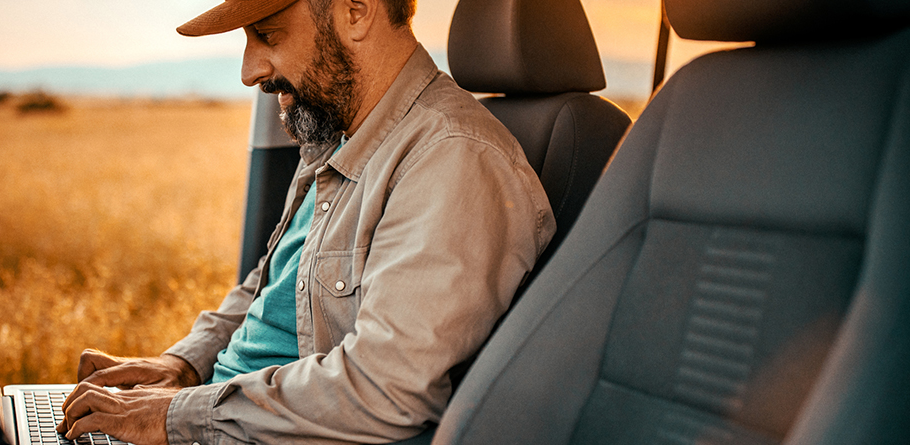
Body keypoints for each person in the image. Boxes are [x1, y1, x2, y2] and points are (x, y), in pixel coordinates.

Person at [57, 0, 556, 443]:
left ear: (356, 11)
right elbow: (273, 283)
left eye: (268, 35)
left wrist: (175, 416)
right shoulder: (338, 134)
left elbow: (384, 392)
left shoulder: (452, 158)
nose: (250, 71)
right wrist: (183, 365)